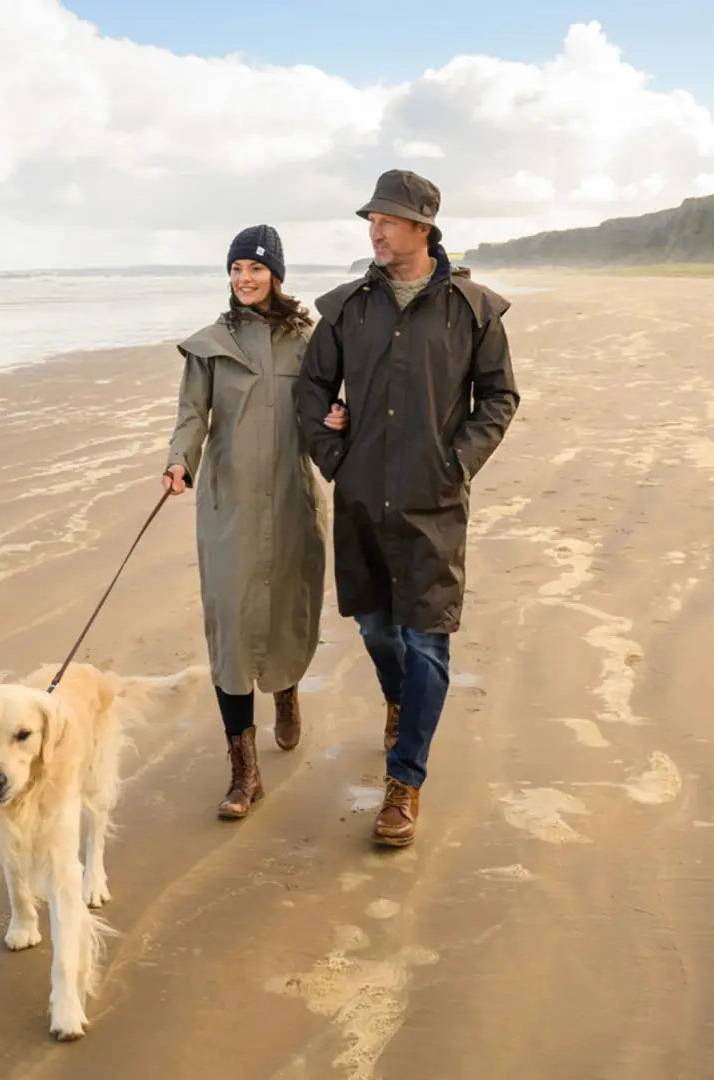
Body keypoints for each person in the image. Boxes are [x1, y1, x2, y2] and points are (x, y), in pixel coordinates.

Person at [296, 170, 519, 846]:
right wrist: (335, 459)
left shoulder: (473, 310)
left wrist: (459, 462)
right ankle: (399, 704)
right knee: (377, 632)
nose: (376, 230)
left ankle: (404, 781)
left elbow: (499, 397)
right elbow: (310, 390)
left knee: (427, 643)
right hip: (362, 500)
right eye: (373, 219)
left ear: (423, 227)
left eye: (389, 220)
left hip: (434, 506)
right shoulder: (346, 308)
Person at [163, 225, 347, 819]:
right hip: (229, 505)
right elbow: (192, 416)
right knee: (232, 625)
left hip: (293, 495)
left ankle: (287, 692)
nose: (244, 278)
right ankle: (244, 771)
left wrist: (341, 416)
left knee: (291, 606)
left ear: (276, 274)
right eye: (237, 268)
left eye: (256, 268)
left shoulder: (308, 340)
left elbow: (332, 400)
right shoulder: (211, 344)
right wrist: (177, 462)